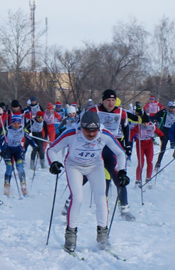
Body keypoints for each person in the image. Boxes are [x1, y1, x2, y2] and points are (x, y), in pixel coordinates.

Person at [47, 109, 129, 252]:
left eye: (94, 131)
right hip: (74, 166)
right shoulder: (72, 133)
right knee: (77, 199)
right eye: (88, 131)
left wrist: (121, 170)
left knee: (101, 199)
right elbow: (52, 149)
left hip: (95, 166)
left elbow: (120, 152)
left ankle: (103, 235)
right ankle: (70, 236)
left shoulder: (104, 134)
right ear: (81, 128)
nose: (91, 134)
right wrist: (53, 162)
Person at [89, 90, 135, 221]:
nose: (110, 103)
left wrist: (127, 144)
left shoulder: (121, 112)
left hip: (112, 147)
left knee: (118, 176)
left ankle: (125, 208)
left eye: (113, 100)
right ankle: (69, 204)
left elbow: (126, 128)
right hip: (96, 146)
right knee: (85, 176)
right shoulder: (94, 110)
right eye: (108, 100)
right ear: (103, 100)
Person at [129, 113, 164, 186]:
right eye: (144, 123)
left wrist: (162, 137)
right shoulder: (138, 127)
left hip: (149, 145)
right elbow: (131, 134)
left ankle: (148, 178)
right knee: (141, 162)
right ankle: (138, 180)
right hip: (140, 145)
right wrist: (129, 141)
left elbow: (159, 132)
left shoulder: (152, 126)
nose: (145, 124)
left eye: (146, 123)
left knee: (149, 161)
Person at [3, 114, 29, 196]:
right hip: (8, 150)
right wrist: (2, 149)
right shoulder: (6, 130)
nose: (16, 125)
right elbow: (1, 140)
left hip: (18, 150)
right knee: (9, 167)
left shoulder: (23, 129)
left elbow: (29, 138)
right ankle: (7, 187)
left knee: (20, 168)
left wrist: (35, 146)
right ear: (12, 123)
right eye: (14, 123)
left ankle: (23, 186)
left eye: (18, 123)